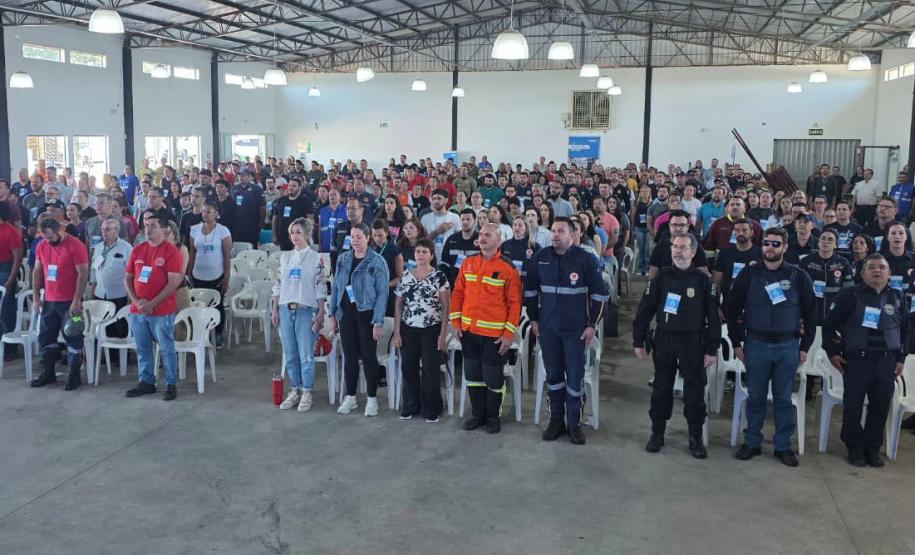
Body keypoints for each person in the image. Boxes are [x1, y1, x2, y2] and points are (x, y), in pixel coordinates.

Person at [727, 227, 816, 467]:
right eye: (766, 243)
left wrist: (805, 346)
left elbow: (811, 315)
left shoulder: (799, 276)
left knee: (783, 399)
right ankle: (752, 441)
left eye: (776, 244)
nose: (770, 247)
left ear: (786, 247)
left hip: (788, 346)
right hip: (755, 344)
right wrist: (736, 343)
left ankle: (783, 445)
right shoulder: (749, 274)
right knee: (755, 397)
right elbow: (731, 308)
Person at [633, 233, 721, 457]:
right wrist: (638, 340)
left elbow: (714, 319)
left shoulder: (704, 282)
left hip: (693, 342)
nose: (678, 251)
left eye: (683, 248)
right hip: (664, 340)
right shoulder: (661, 278)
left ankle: (695, 438)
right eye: (675, 247)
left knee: (694, 392)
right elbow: (644, 310)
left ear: (693, 253)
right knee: (661, 389)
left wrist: (712, 349)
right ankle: (657, 433)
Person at [525, 217, 608, 445]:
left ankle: (574, 423)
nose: (555, 235)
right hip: (548, 329)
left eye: (560, 231)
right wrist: (533, 319)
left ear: (572, 235)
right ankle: (555, 421)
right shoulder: (541, 258)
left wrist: (592, 324)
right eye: (553, 231)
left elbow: (600, 294)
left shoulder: (586, 259)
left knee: (574, 378)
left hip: (575, 331)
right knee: (553, 377)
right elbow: (530, 291)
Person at [823, 254, 907, 468]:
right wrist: (832, 352)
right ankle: (855, 447)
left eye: (882, 267)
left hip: (886, 362)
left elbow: (905, 330)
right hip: (857, 361)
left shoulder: (897, 297)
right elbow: (828, 326)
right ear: (863, 273)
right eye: (871, 267)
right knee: (853, 407)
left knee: (880, 408)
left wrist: (901, 358)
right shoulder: (849, 295)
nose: (877, 270)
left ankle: (872, 448)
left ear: (889, 273)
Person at [449, 223, 521, 434]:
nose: (482, 237)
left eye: (488, 235)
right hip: (469, 332)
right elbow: (457, 294)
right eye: (481, 234)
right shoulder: (468, 263)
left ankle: (493, 417)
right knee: (473, 376)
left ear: (499, 241)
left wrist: (508, 334)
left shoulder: (508, 268)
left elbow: (514, 304)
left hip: (495, 336)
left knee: (493, 379)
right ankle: (477, 415)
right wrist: (455, 322)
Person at [329, 223, 389, 417]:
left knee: (369, 357)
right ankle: (351, 397)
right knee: (350, 357)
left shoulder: (377, 261)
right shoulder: (343, 259)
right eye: (352, 237)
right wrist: (333, 313)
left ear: (368, 237)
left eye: (359, 237)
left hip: (367, 315)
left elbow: (382, 294)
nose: (355, 241)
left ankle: (372, 398)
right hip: (346, 313)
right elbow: (337, 287)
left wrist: (378, 321)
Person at [124, 213, 184, 401]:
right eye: (146, 225)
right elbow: (128, 278)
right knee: (142, 348)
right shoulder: (138, 250)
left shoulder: (171, 251)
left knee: (166, 348)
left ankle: (170, 383)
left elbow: (174, 282)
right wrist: (136, 301)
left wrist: (152, 303)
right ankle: (146, 382)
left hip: (161, 310)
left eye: (153, 225)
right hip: (138, 309)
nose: (148, 229)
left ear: (165, 230)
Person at [272, 218, 327, 412]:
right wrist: (274, 308)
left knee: (305, 354)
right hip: (286, 308)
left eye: (297, 232)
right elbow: (278, 284)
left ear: (306, 234)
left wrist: (320, 311)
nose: (294, 236)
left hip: (306, 310)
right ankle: (294, 389)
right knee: (290, 354)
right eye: (291, 232)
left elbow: (320, 287)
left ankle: (307, 391)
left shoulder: (315, 258)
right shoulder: (285, 257)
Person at [392, 238, 450, 422]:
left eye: (425, 252)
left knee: (430, 370)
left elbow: (446, 307)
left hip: (431, 329)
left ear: (432, 255)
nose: (421, 255)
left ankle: (431, 409)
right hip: (409, 328)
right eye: (418, 252)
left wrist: (442, 335)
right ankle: (411, 405)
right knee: (408, 367)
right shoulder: (407, 276)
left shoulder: (439, 276)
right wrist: (398, 332)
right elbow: (398, 306)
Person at [29, 218, 89, 390]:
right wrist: (36, 296)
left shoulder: (76, 245)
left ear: (60, 230)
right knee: (46, 337)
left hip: (70, 302)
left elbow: (82, 274)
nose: (47, 241)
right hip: (49, 300)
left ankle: (74, 375)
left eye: (50, 237)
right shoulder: (42, 245)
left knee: (73, 336)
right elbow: (37, 272)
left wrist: (77, 300)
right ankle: (48, 372)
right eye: (44, 238)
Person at [188, 202, 232, 348]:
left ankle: (218, 334)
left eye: (209, 211)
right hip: (198, 273)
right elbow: (192, 253)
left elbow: (227, 256)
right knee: (198, 304)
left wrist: (226, 277)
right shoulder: (194, 230)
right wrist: (189, 273)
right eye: (203, 211)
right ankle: (201, 332)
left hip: (216, 274)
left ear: (216, 214)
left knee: (217, 305)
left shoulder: (223, 231)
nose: (205, 214)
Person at [88, 218, 132, 354]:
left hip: (119, 294)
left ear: (117, 231)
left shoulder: (126, 248)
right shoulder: (99, 247)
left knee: (119, 326)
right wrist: (92, 290)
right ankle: (105, 354)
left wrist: (131, 296)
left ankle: (121, 355)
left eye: (107, 229)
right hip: (100, 293)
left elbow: (132, 273)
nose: (104, 232)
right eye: (102, 229)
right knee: (102, 325)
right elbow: (94, 270)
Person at [796, 228, 853, 325]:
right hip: (810, 311)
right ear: (818, 242)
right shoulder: (806, 261)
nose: (826, 241)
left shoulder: (843, 263)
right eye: (823, 238)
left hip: (834, 313)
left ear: (835, 244)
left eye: (830, 239)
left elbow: (849, 291)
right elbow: (798, 289)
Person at [713, 218, 762, 304]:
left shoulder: (760, 254)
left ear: (752, 232)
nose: (740, 233)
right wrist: (716, 305)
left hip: (754, 304)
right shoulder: (724, 253)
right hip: (729, 303)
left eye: (744, 230)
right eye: (737, 230)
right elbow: (716, 281)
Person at [648, 210, 708, 278]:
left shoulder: (697, 248)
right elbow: (652, 276)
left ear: (687, 226)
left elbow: (704, 276)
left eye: (682, 225)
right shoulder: (659, 249)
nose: (678, 228)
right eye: (674, 224)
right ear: (669, 225)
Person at [370, 219, 403, 318]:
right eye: (374, 235)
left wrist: (385, 285)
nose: (377, 238)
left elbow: (400, 277)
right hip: (372, 293)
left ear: (387, 232)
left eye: (380, 235)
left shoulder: (394, 251)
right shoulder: (370, 248)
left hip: (388, 295)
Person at [0, 203, 23, 341]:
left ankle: (9, 346)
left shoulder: (11, 231)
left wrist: (10, 278)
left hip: (5, 269)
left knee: (5, 310)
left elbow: (18, 258)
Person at [271, 178, 313, 251]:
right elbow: (275, 218)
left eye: (294, 186)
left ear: (299, 187)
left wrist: (308, 237)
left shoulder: (306, 201)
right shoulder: (281, 200)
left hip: (299, 239)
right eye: (289, 185)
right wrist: (274, 235)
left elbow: (310, 221)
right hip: (283, 238)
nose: (290, 188)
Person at [420, 188, 462, 263]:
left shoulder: (454, 217)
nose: (436, 201)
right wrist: (438, 231)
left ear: (446, 200)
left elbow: (460, 239)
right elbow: (422, 242)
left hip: (449, 257)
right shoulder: (425, 218)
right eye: (434, 198)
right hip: (430, 257)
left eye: (439, 198)